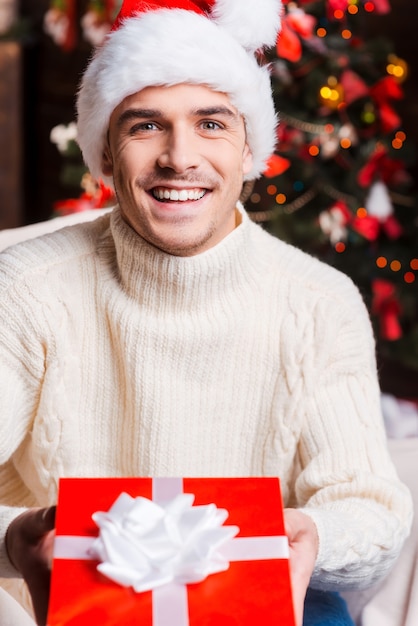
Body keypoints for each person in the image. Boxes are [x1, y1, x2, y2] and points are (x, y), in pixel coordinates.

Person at [0, 0, 413, 625]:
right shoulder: (26, 290)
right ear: (105, 153)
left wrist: (313, 536)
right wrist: (16, 538)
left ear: (250, 148)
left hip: (253, 604)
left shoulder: (319, 303)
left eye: (211, 124)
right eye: (144, 126)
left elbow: (370, 509)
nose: (179, 157)